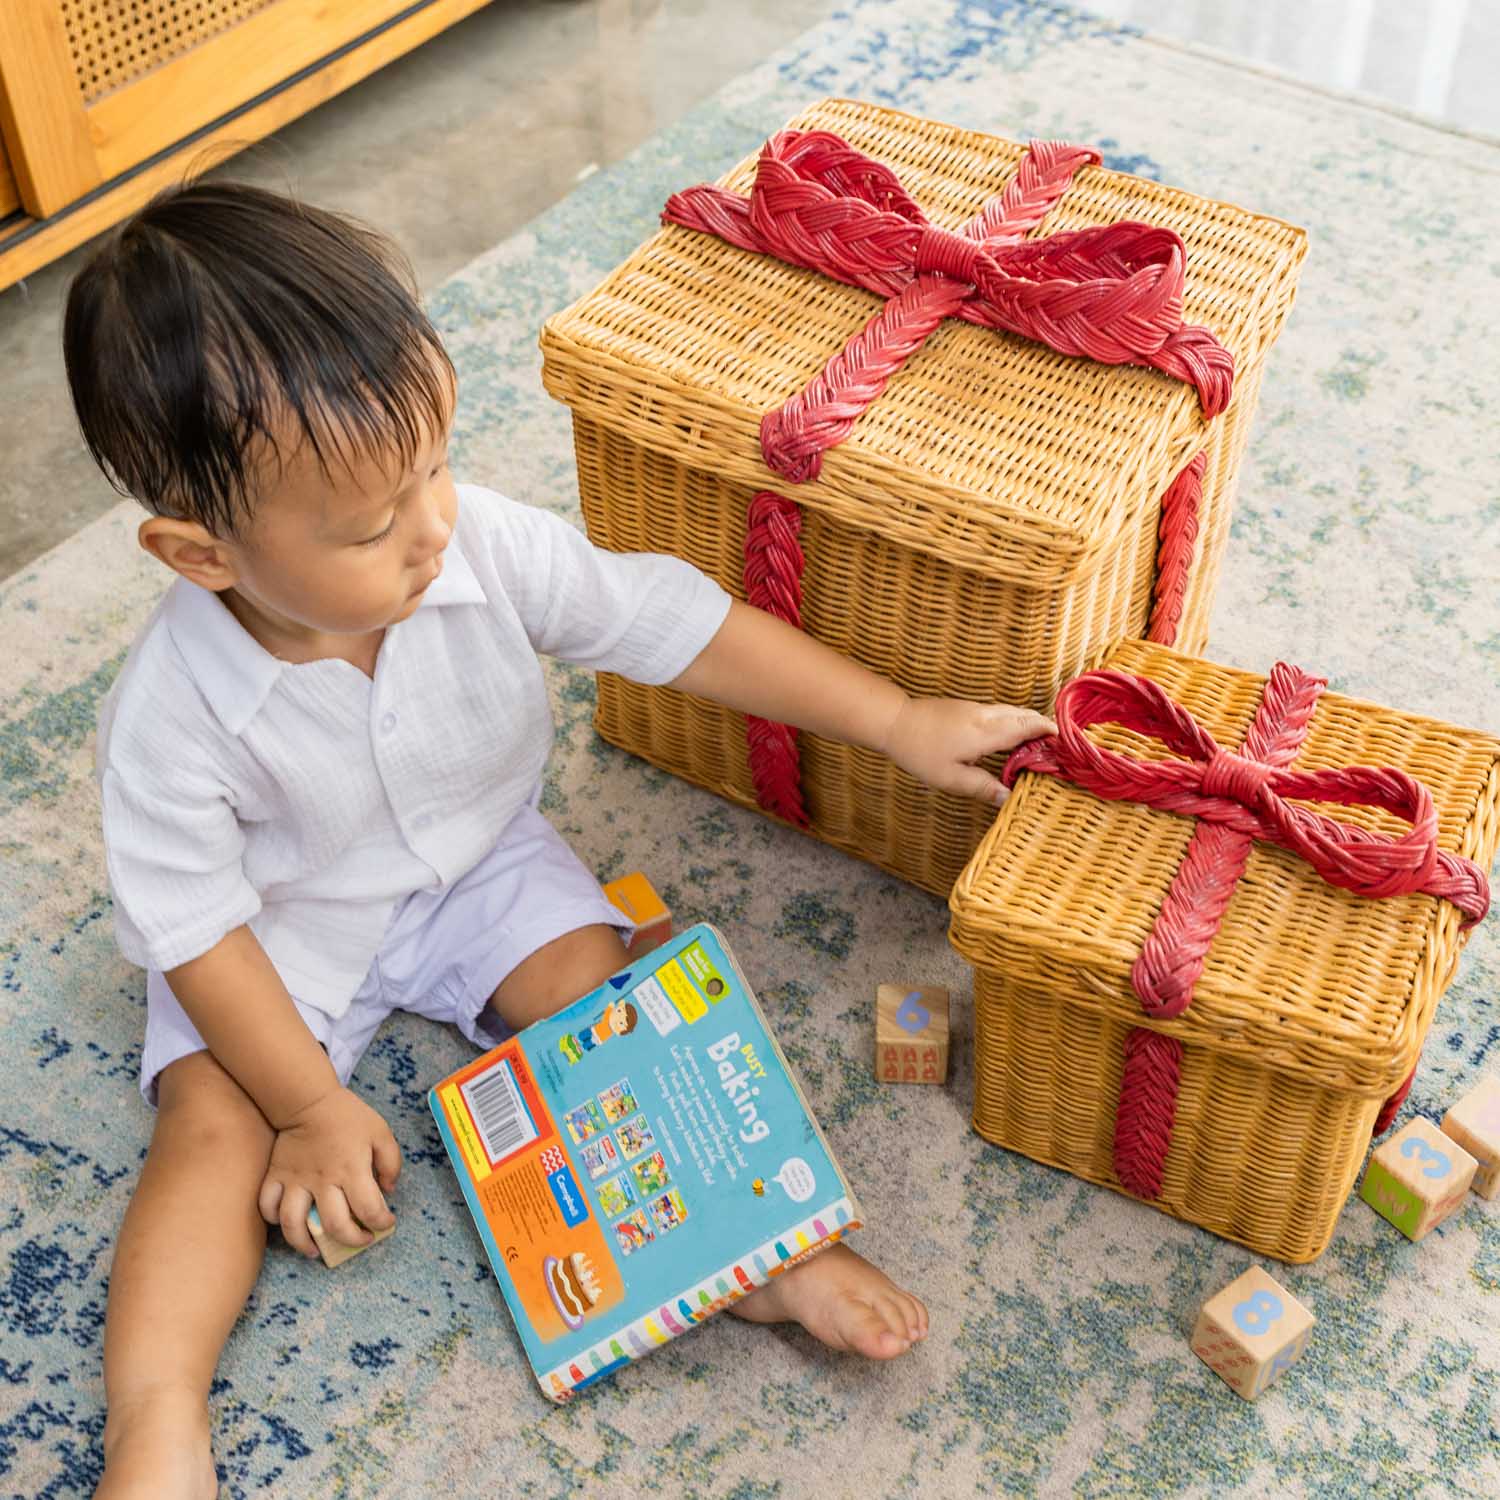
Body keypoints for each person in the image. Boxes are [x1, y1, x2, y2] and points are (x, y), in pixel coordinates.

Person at [64, 182, 1055, 1499]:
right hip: (274, 939)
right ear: (201, 557)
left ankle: (754, 1259)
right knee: (207, 1130)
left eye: (435, 467)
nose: (428, 528)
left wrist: (891, 717)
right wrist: (305, 1102)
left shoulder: (475, 545)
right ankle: (156, 1415)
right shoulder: (169, 718)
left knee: (609, 1004)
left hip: (478, 863)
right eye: (371, 525)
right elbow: (191, 929)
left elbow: (668, 622)